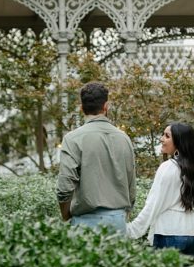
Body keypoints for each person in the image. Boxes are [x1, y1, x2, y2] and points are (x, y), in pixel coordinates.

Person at [56, 81, 136, 233]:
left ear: (81, 108)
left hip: (84, 223)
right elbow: (131, 184)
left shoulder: (72, 139)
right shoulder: (124, 138)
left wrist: (66, 216)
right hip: (118, 221)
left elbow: (64, 187)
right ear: (106, 106)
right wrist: (124, 215)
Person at [126, 122, 194, 255]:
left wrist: (133, 229)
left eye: (167, 136)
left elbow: (154, 204)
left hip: (170, 234)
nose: (161, 139)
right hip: (193, 234)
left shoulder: (168, 167)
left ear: (179, 142)